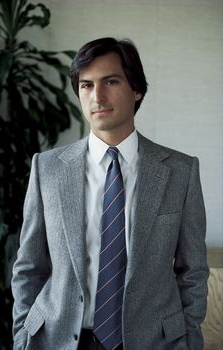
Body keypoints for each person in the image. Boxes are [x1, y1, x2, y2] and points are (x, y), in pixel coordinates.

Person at [11, 37, 209, 350]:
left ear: (137, 90)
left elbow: (193, 272)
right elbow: (29, 267)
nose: (97, 96)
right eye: (86, 85)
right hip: (56, 340)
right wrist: (23, 338)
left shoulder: (181, 172)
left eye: (111, 81)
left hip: (152, 342)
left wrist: (188, 340)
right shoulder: (46, 168)